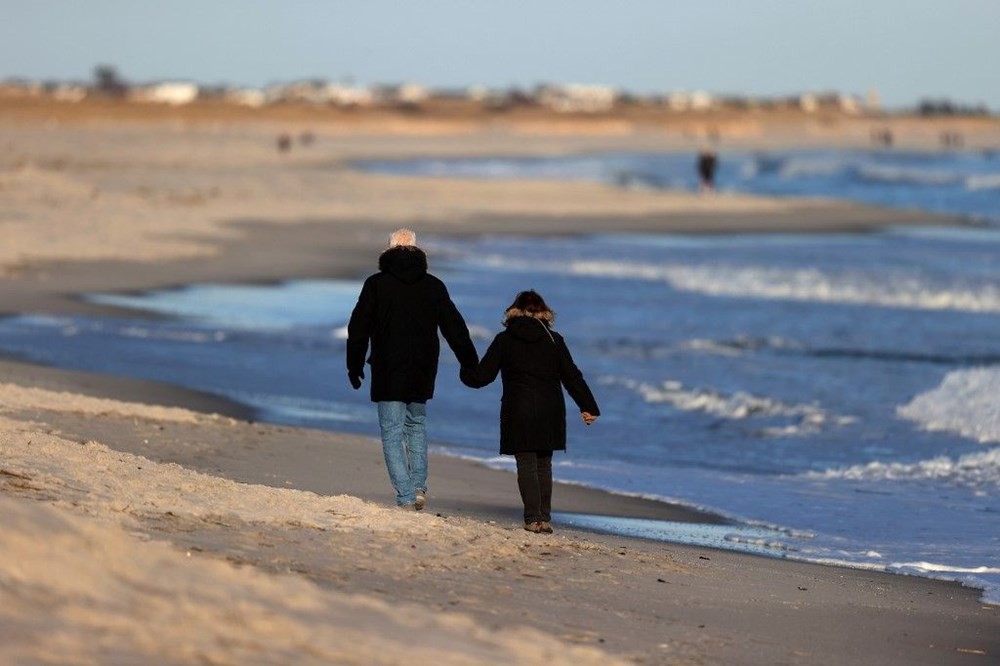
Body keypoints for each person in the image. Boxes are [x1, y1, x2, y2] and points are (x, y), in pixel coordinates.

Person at [346, 228, 479, 510]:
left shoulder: (376, 284)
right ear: (419, 252)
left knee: (392, 431)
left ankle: (406, 495)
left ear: (388, 251)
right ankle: (417, 487)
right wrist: (470, 363)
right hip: (422, 368)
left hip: (387, 368)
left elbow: (358, 329)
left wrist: (354, 366)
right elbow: (456, 328)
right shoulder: (434, 286)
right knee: (416, 425)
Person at [461, 290, 599, 533]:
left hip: (518, 410)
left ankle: (532, 519)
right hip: (550, 410)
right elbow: (572, 376)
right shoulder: (554, 340)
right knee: (544, 465)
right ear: (544, 312)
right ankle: (544, 518)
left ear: (513, 311)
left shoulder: (504, 340)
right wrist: (588, 406)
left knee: (526, 464)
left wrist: (466, 371)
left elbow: (482, 377)